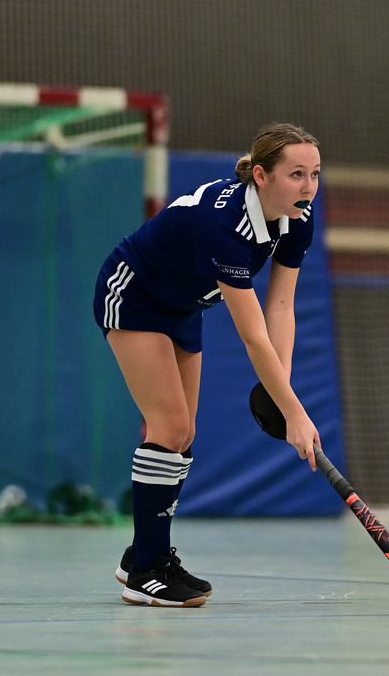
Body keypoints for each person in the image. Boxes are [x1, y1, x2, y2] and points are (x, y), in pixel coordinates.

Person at [92, 123, 323, 607]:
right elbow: (252, 333)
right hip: (133, 295)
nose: (308, 187)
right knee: (169, 426)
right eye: (296, 174)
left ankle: (144, 552)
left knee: (184, 434)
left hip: (183, 307)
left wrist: (278, 391)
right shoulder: (224, 223)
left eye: (315, 174)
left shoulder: (298, 219)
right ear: (261, 176)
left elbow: (281, 306)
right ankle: (146, 574)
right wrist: (295, 411)